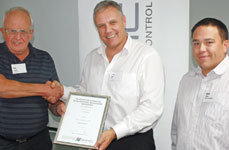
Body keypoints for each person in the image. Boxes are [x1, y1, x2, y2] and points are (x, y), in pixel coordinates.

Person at [55, 1, 165, 150]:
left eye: (113, 22)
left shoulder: (147, 56)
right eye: (101, 26)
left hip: (134, 143)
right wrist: (61, 91)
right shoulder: (92, 58)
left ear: (124, 21)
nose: (108, 30)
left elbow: (151, 108)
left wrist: (114, 132)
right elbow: (85, 94)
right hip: (97, 140)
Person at [0, 7, 64, 150]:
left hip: (39, 142)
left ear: (31, 33)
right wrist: (44, 89)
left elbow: (53, 99)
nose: (18, 37)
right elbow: (3, 88)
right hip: (3, 143)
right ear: (3, 32)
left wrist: (58, 106)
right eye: (12, 31)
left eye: (23, 31)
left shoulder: (44, 59)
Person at [171, 18, 229, 150]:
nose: (201, 49)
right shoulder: (187, 80)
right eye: (196, 43)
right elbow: (176, 129)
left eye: (209, 42)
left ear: (225, 45)